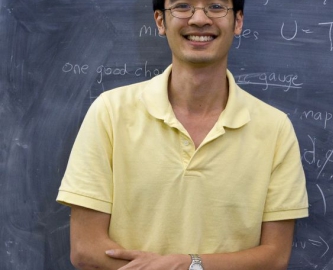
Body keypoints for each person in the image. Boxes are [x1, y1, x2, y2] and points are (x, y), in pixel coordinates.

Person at [56, 0, 309, 269]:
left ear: (238, 21)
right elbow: (86, 247)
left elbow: (275, 256)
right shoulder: (110, 112)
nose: (199, 19)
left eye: (215, 6)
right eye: (183, 6)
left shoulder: (274, 128)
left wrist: (190, 265)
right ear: (160, 21)